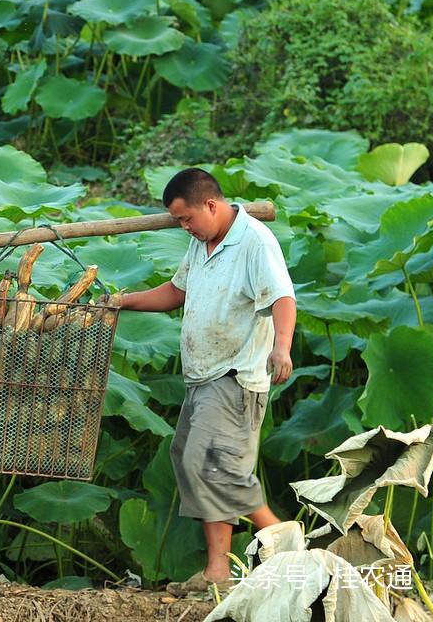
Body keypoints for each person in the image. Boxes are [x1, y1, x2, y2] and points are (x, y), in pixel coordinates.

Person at [116, 168, 296, 594]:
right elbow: (177, 293)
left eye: (186, 219)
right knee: (190, 462)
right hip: (201, 375)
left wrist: (282, 347)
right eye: (178, 221)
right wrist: (120, 302)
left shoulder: (255, 241)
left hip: (236, 374)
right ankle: (219, 569)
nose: (183, 228)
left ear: (211, 205)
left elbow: (283, 296)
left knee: (210, 465)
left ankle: (287, 544)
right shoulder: (202, 243)